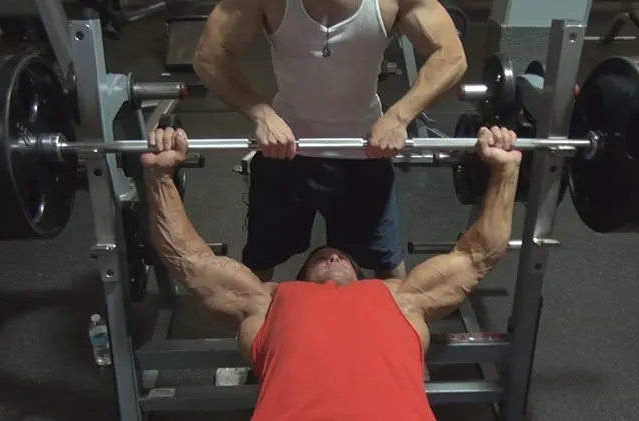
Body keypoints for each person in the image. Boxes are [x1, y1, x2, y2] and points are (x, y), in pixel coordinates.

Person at [142, 124, 521, 420]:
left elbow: (478, 256)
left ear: (365, 277)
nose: (334, 257)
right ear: (300, 279)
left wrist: (506, 170)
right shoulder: (268, 304)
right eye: (322, 257)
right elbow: (190, 263)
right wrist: (159, 177)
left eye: (340, 257)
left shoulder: (400, 297)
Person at [192, 0, 467, 283]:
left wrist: (400, 116)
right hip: (286, 151)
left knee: (386, 263)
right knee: (260, 262)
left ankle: (395, 325)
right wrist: (261, 114)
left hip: (363, 151)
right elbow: (209, 55)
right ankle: (255, 326)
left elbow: (451, 55)